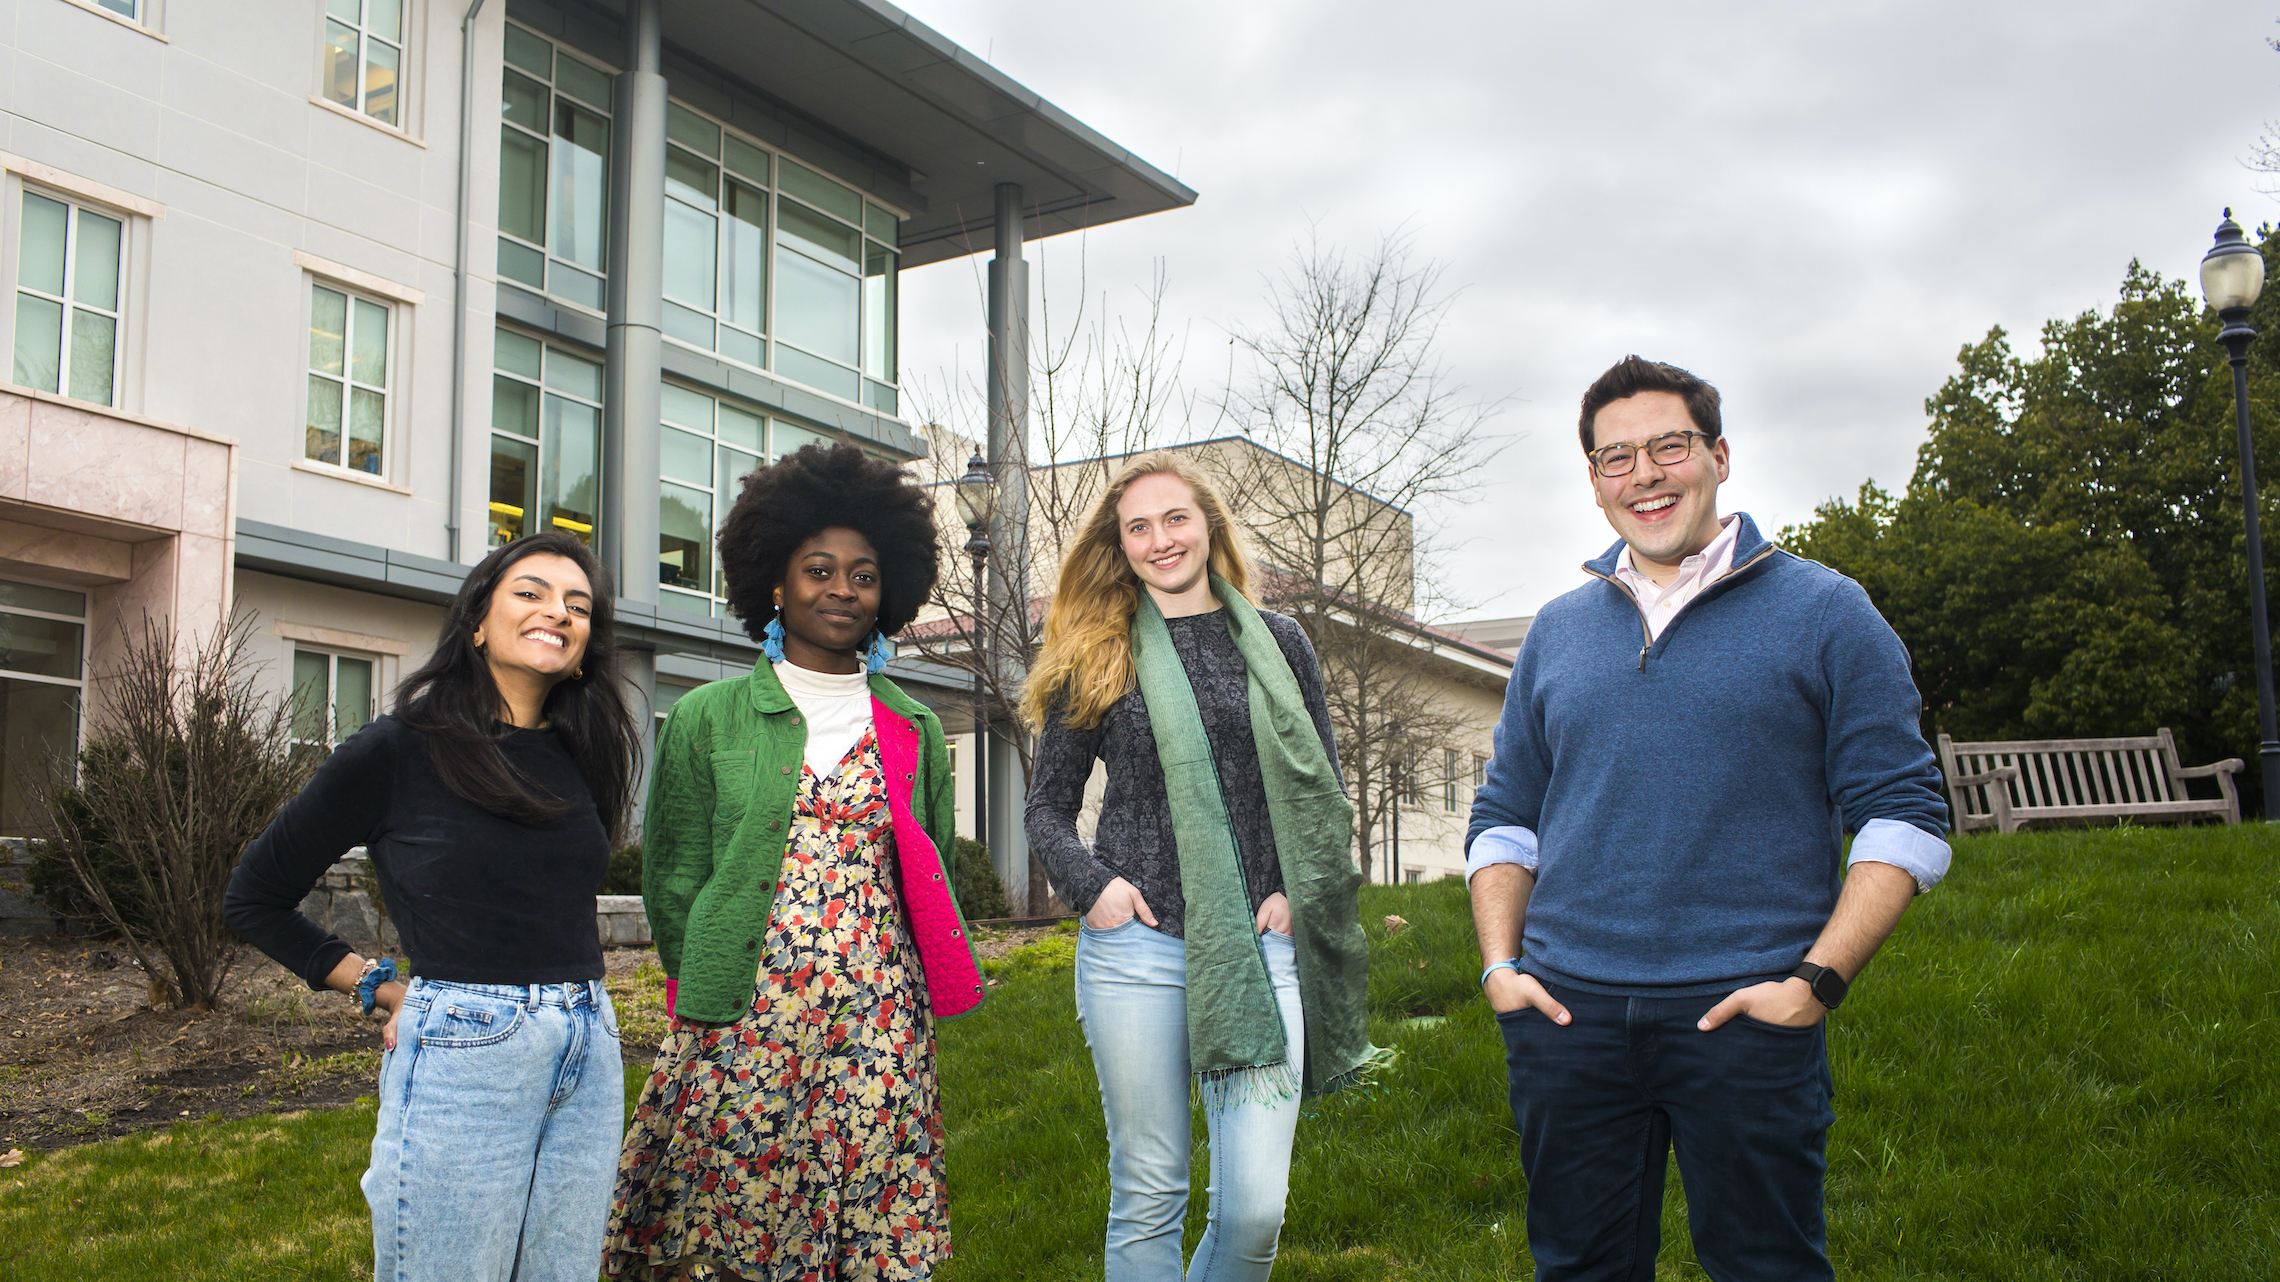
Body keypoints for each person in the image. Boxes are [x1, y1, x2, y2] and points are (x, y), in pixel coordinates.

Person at [1467, 356, 1952, 1280]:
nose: (1643, 474)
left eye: (1668, 446)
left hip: (1745, 1015)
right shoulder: (1558, 630)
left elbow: (1905, 818)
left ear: (1719, 456)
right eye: (1616, 457)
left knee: (1767, 1267)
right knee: (1578, 1269)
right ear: (1596, 481)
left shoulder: (1828, 612)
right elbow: (1504, 817)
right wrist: (1502, 967)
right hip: (1567, 1017)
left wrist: (1812, 984)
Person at [604, 442, 983, 1282]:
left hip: (878, 1018)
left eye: (863, 575)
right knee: (735, 1220)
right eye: (819, 570)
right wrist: (697, 976)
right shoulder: (708, 715)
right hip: (745, 1012)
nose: (842, 590)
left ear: (890, 592)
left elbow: (930, 867)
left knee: (866, 1217)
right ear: (775, 582)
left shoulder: (914, 724)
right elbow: (672, 872)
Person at [224, 530, 642, 1282]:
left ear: (584, 647)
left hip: (589, 1046)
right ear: (477, 621)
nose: (559, 612)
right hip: (467, 1051)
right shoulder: (396, 749)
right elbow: (253, 898)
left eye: (578, 606)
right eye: (532, 592)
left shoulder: (584, 751)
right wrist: (381, 988)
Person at [1024, 452, 1384, 1282]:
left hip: (1261, 947)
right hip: (1137, 949)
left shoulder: (1279, 641)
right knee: (1150, 1192)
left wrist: (1298, 891)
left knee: (1255, 1209)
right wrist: (1096, 889)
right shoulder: (1099, 652)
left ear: (1209, 524)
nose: (1161, 540)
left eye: (1175, 518)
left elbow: (1321, 788)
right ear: (1119, 544)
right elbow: (1048, 806)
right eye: (1138, 527)